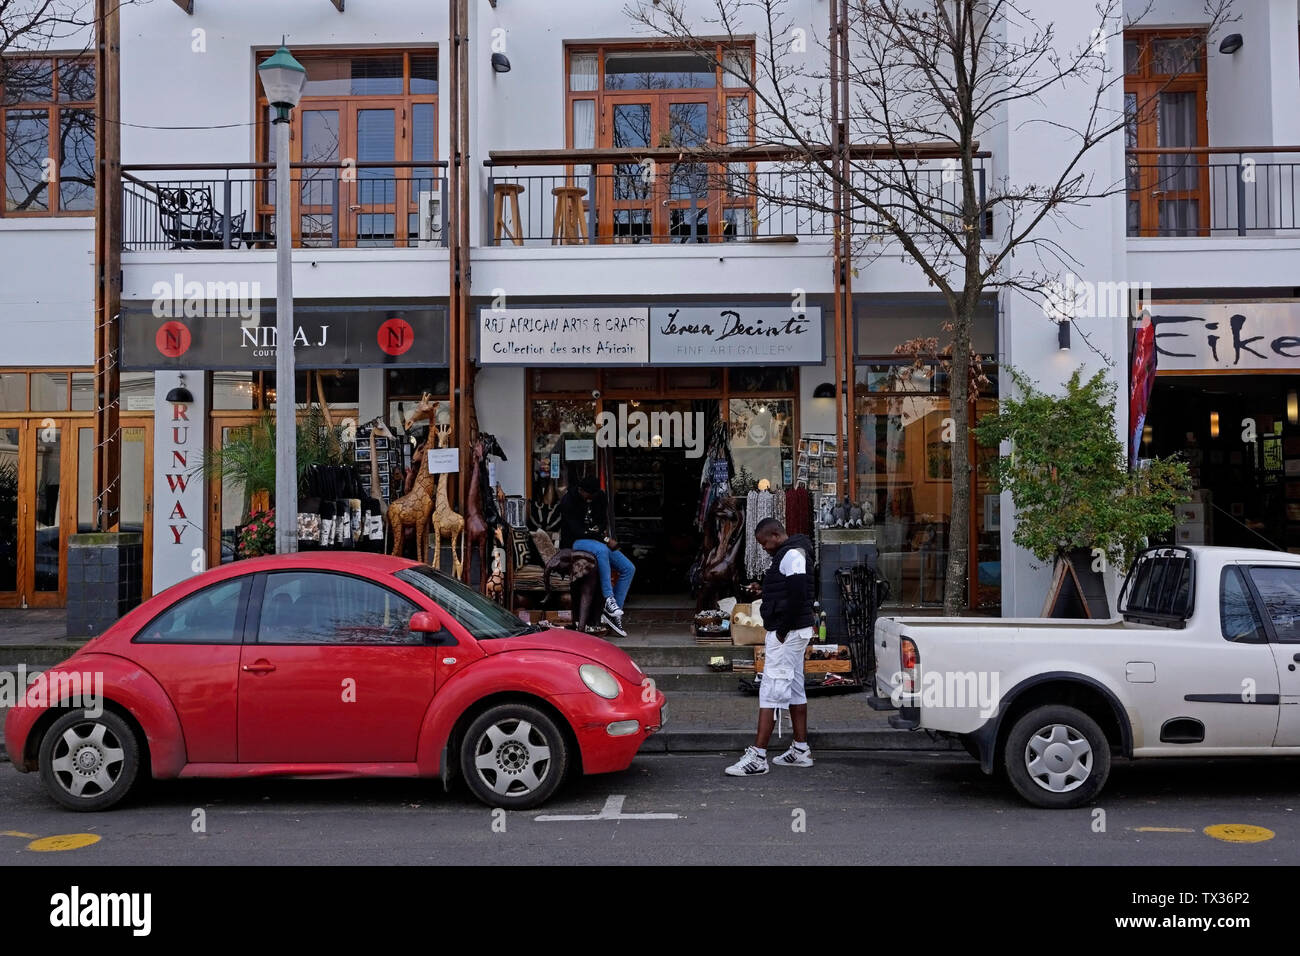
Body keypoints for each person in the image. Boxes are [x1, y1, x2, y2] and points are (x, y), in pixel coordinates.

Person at [725, 517, 816, 776]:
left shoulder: (792, 556)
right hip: (793, 631)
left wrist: (783, 630)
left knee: (771, 690)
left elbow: (799, 596)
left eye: (764, 543)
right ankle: (800, 749)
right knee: (795, 687)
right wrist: (764, 591)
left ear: (776, 535)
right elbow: (791, 591)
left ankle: (758, 756)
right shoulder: (791, 554)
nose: (764, 547)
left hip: (787, 633)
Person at [559, 475, 635, 637]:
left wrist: (600, 535)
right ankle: (608, 598)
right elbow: (577, 530)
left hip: (597, 540)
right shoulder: (568, 500)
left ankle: (613, 614)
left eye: (594, 495)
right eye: (589, 495)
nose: (591, 498)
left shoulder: (599, 496)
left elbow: (601, 523)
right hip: (576, 541)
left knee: (628, 568)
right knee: (601, 549)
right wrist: (605, 539)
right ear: (581, 490)